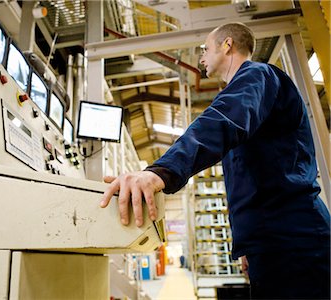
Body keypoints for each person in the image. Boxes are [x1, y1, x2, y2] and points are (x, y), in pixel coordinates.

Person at [100, 22, 330, 299]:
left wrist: (162, 170)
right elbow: (250, 181)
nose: (201, 57)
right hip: (269, 242)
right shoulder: (249, 102)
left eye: (205, 49)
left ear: (227, 45)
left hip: (295, 240)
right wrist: (246, 243)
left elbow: (220, 120)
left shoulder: (258, 76)